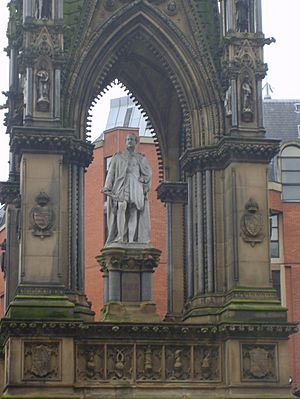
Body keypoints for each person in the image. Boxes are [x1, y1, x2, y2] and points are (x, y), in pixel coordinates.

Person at [101, 134, 152, 244]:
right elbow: (111, 173)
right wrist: (107, 186)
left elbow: (148, 173)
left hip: (135, 186)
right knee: (121, 207)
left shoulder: (140, 158)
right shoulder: (118, 157)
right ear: (125, 141)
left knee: (133, 210)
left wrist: (143, 181)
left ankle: (131, 239)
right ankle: (120, 236)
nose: (130, 141)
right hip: (121, 185)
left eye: (132, 140)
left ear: (136, 142)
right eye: (128, 139)